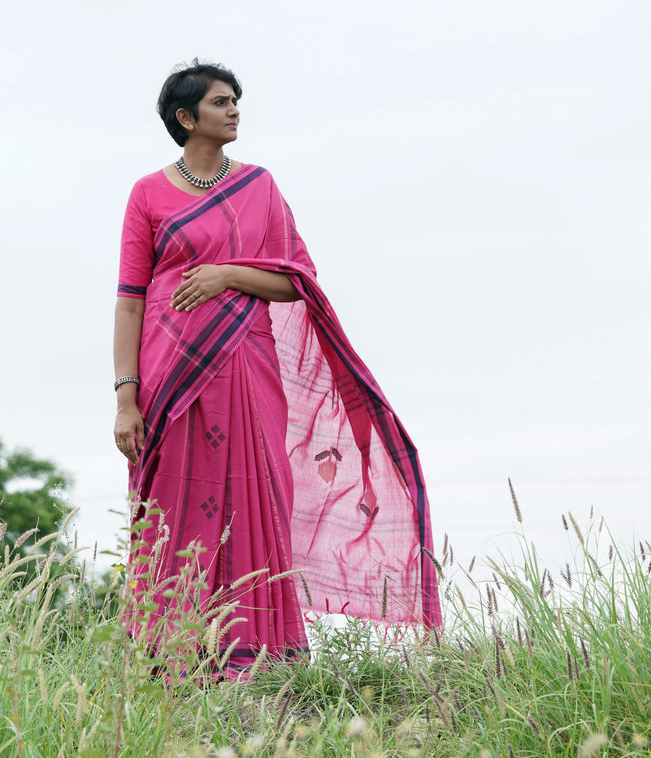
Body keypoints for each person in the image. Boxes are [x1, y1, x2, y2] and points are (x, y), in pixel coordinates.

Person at [112, 60, 441, 677]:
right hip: (168, 374)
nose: (234, 110)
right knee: (171, 504)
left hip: (246, 364)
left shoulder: (259, 187)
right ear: (187, 119)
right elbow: (130, 297)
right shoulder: (147, 194)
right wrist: (126, 397)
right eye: (220, 102)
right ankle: (168, 655)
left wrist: (228, 275)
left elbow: (297, 283)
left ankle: (255, 658)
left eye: (236, 100)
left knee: (254, 493)